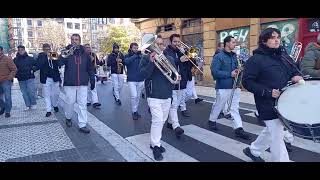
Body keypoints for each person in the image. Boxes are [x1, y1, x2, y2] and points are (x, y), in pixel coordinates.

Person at [242, 28, 303, 162]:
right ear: (264, 41)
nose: (277, 40)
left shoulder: (283, 55)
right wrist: (268, 92)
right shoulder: (255, 60)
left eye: (278, 37)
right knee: (277, 136)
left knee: (272, 131)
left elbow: (293, 70)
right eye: (273, 37)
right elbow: (247, 82)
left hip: (285, 101)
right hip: (267, 103)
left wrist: (296, 76)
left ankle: (253, 150)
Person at [139, 35, 178, 161]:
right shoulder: (146, 58)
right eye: (157, 44)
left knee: (162, 121)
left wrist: (178, 78)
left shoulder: (170, 58)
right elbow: (143, 74)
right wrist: (151, 62)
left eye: (161, 44)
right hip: (153, 95)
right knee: (157, 120)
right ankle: (156, 145)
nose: (159, 46)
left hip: (167, 95)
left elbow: (173, 75)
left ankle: (153, 142)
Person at [209, 35, 250, 140]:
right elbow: (214, 72)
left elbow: (237, 69)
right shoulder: (219, 56)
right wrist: (229, 74)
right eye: (233, 42)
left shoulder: (235, 56)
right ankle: (212, 120)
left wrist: (239, 70)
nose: (235, 44)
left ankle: (238, 129)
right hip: (223, 86)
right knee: (219, 105)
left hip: (235, 86)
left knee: (234, 108)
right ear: (227, 43)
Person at [58, 34, 95, 134]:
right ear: (70, 41)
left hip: (82, 83)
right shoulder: (66, 52)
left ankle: (82, 124)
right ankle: (68, 117)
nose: (74, 41)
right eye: (73, 39)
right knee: (70, 102)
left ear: (80, 41)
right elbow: (59, 63)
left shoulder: (85, 54)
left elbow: (89, 68)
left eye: (77, 39)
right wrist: (66, 53)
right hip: (70, 83)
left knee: (82, 104)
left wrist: (92, 79)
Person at [163, 34, 187, 139]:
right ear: (171, 42)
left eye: (178, 42)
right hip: (171, 81)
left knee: (176, 104)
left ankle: (169, 122)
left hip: (181, 81)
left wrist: (187, 55)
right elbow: (168, 64)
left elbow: (187, 65)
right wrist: (179, 59)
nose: (177, 44)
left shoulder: (181, 51)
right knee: (173, 104)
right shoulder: (166, 52)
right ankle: (176, 126)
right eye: (175, 42)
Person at [35, 43, 61, 117]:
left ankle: (55, 105)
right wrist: (45, 57)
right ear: (43, 49)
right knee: (47, 95)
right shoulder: (41, 56)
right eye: (46, 49)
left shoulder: (53, 54)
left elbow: (59, 64)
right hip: (46, 78)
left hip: (55, 77)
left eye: (48, 49)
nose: (47, 50)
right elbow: (38, 66)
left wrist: (55, 58)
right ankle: (48, 110)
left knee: (56, 94)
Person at [13, 45, 38, 111]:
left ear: (24, 50)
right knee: (24, 93)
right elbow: (13, 68)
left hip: (29, 77)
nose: (20, 51)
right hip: (21, 78)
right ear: (18, 51)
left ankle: (33, 103)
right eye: (19, 50)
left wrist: (33, 69)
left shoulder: (30, 58)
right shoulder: (15, 60)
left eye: (22, 50)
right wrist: (15, 74)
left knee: (31, 91)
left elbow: (37, 65)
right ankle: (27, 105)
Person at [124, 42, 144, 120]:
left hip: (140, 79)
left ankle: (135, 111)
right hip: (131, 79)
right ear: (131, 48)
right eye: (134, 48)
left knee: (138, 96)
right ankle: (134, 111)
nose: (136, 49)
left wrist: (141, 55)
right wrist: (135, 56)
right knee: (134, 96)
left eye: (137, 48)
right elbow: (126, 62)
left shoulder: (140, 56)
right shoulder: (127, 55)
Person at [0, 46, 17, 117]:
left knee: (7, 97)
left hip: (5, 81)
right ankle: (3, 106)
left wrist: (9, 78)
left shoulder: (7, 59)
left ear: (1, 51)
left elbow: (14, 69)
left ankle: (7, 111)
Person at [84, 44, 102, 109]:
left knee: (93, 87)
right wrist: (89, 60)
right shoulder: (82, 55)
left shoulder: (93, 54)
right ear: (84, 48)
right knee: (87, 88)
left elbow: (97, 62)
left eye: (89, 47)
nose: (88, 49)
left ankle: (95, 102)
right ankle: (88, 101)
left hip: (92, 72)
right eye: (86, 48)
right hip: (85, 73)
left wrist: (97, 64)